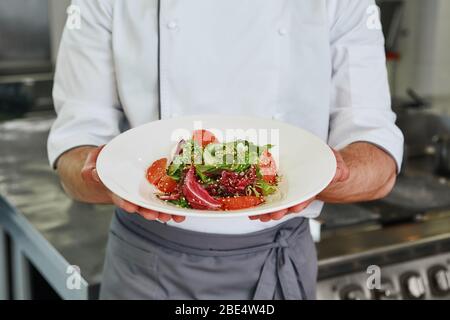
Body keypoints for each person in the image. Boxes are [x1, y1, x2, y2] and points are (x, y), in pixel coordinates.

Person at [48, 0, 403, 300]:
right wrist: (101, 173)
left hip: (276, 263)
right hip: (146, 268)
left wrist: (327, 173)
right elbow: (74, 152)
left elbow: (379, 165)